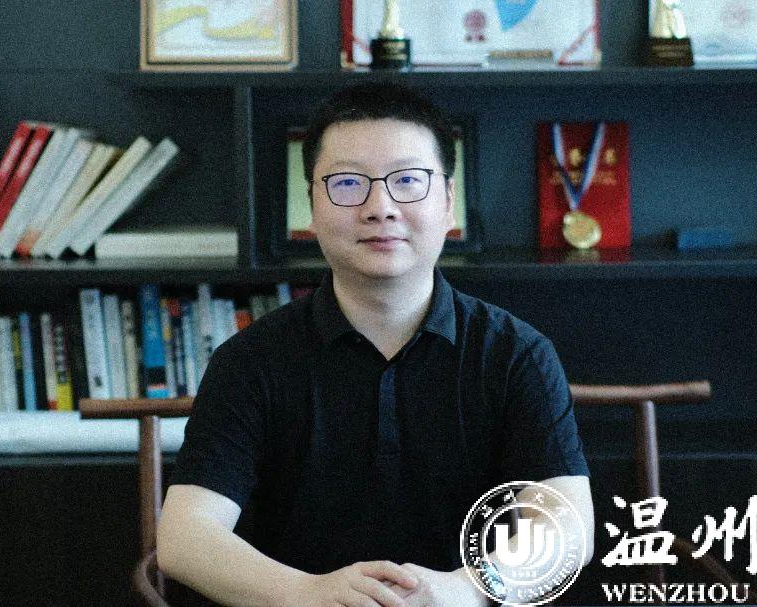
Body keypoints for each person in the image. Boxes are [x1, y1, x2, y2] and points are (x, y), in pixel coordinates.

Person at [157, 81, 593, 607]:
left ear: (448, 202)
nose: (380, 207)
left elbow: (569, 525)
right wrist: (311, 593)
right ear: (312, 206)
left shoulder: (515, 354)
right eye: (347, 183)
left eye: (408, 181)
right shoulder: (250, 361)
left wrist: (464, 589)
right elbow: (185, 538)